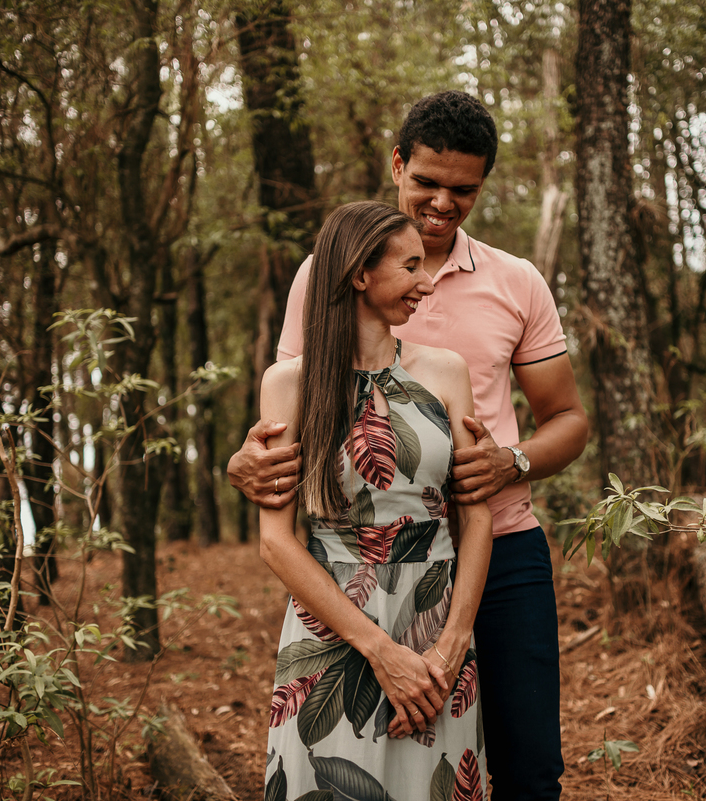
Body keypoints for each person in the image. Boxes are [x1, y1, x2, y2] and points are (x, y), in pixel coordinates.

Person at [233, 91, 588, 800]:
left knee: (526, 767)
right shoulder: (323, 273)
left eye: (464, 190)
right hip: (361, 567)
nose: (443, 203)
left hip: (499, 546)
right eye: (427, 181)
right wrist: (247, 462)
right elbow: (298, 410)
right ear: (397, 164)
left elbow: (569, 419)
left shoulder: (517, 281)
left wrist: (512, 461)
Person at [258, 201, 493, 800]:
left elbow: (475, 517)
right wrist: (378, 651)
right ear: (360, 273)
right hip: (332, 623)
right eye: (410, 266)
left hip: (435, 620)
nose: (426, 283)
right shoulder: (289, 384)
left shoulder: (446, 373)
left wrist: (451, 645)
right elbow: (276, 541)